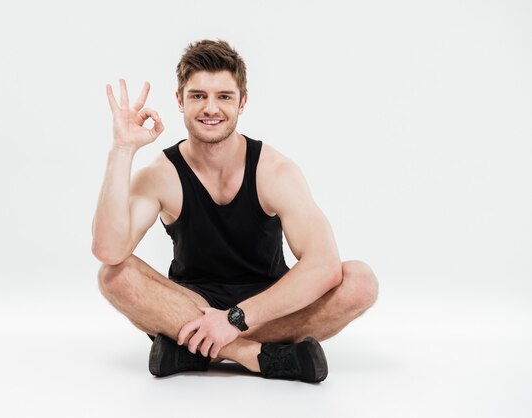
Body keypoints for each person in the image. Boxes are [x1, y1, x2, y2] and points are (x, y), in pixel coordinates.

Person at [92, 39, 378, 383]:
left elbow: (325, 265)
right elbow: (109, 250)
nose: (211, 108)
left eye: (224, 96)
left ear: (242, 102)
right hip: (189, 302)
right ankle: (256, 356)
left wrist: (235, 320)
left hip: (267, 305)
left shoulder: (274, 171)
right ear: (179, 101)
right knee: (113, 276)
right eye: (198, 96)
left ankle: (191, 349)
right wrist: (122, 149)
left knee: (360, 282)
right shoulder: (161, 175)